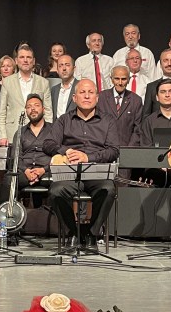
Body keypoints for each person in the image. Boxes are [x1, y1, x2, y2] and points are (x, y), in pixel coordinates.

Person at [42, 79, 120, 247]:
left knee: (108, 189)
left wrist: (88, 157)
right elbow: (48, 144)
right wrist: (66, 151)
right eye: (82, 92)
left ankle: (91, 233)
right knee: (56, 191)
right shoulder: (64, 120)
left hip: (96, 172)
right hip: (69, 172)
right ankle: (73, 232)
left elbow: (114, 151)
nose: (86, 96)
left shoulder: (108, 121)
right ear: (74, 98)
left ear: (97, 98)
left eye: (91, 92)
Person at [0, 93, 52, 208]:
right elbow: (15, 157)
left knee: (61, 183)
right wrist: (27, 171)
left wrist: (43, 170)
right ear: (26, 111)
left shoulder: (54, 130)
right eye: (29, 107)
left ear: (43, 109)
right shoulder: (20, 132)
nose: (32, 109)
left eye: (36, 105)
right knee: (9, 180)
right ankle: (5, 217)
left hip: (47, 172)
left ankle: (54, 218)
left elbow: (58, 156)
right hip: (24, 172)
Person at [0, 44, 53, 147]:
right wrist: (2, 135)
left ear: (33, 61)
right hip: (12, 133)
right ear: (16, 61)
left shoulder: (43, 82)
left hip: (37, 134)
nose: (25, 60)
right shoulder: (7, 82)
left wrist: (48, 134)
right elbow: (1, 112)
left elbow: (48, 111)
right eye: (22, 57)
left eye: (29, 57)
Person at [138, 79, 171, 146]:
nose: (167, 95)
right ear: (157, 97)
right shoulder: (149, 122)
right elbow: (146, 148)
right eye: (163, 92)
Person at [98, 66, 143, 147]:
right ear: (111, 79)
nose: (120, 82)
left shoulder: (136, 100)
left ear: (129, 80)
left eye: (123, 79)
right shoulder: (101, 98)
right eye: (117, 79)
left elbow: (137, 129)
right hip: (104, 148)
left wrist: (129, 149)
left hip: (127, 148)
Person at [50, 54, 79, 119]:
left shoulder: (81, 86)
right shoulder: (54, 90)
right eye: (60, 66)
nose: (64, 68)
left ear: (74, 68)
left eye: (67, 65)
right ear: (57, 70)